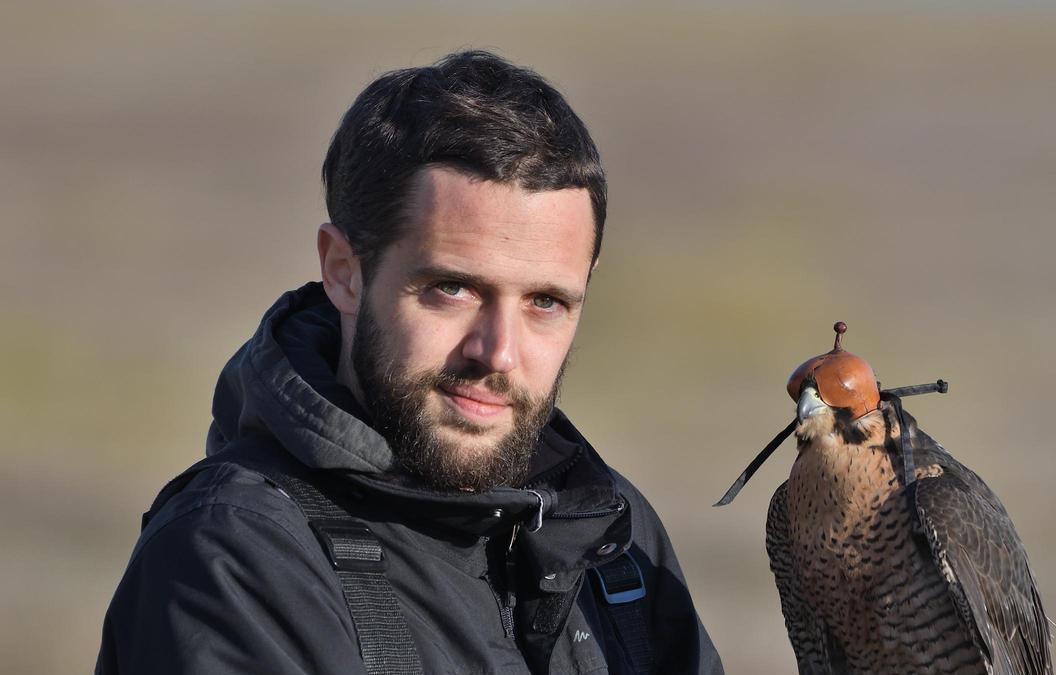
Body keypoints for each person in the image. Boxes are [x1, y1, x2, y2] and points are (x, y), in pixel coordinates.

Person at [96, 50, 723, 674]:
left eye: (546, 302)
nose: (497, 352)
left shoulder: (611, 536)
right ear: (344, 274)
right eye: (453, 289)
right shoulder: (234, 554)